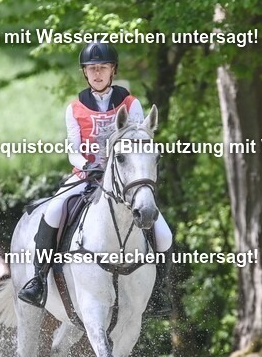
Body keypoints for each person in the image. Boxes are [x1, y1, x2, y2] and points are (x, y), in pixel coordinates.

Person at [18, 42, 173, 311]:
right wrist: (86, 165)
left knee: (164, 233)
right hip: (87, 176)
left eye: (103, 68)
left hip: (124, 181)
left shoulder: (130, 103)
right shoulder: (74, 108)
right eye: (92, 69)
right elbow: (73, 151)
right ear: (85, 73)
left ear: (113, 71)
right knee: (53, 211)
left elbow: (139, 140)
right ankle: (38, 280)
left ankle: (159, 291)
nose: (97, 73)